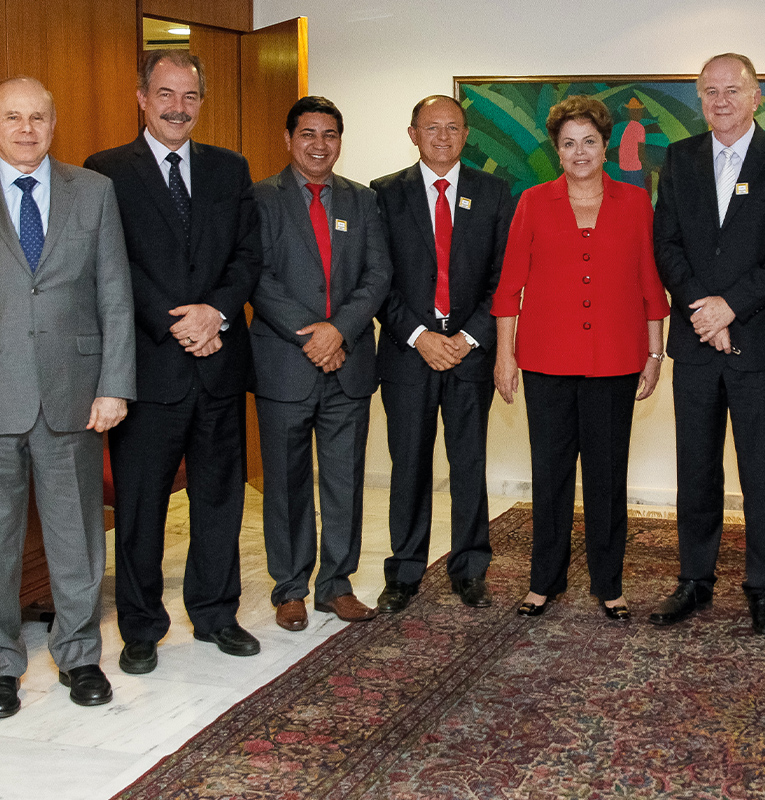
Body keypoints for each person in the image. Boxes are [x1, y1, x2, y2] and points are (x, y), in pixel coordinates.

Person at [85, 49, 264, 674]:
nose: (177, 108)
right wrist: (180, 321)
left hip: (218, 361)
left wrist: (214, 313)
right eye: (165, 94)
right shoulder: (106, 172)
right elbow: (113, 266)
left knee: (220, 498)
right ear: (142, 97)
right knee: (140, 505)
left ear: (200, 103)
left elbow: (247, 256)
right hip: (151, 365)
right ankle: (140, 627)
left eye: (189, 97)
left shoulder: (230, 168)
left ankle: (216, 613)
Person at [650, 53, 765, 636]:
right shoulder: (679, 158)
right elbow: (665, 242)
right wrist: (703, 310)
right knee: (695, 469)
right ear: (700, 99)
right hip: (697, 344)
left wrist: (730, 308)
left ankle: (764, 587)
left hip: (762, 343)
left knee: (762, 470)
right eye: (709, 92)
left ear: (756, 95)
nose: (720, 101)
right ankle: (694, 582)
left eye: (732, 90)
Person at [493, 95, 668, 620]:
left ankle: (608, 584)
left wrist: (655, 352)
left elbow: (649, 284)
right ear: (557, 150)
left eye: (588, 141)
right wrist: (505, 356)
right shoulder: (532, 202)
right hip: (545, 361)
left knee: (607, 476)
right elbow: (508, 288)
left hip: (616, 360)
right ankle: (543, 581)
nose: (579, 152)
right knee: (549, 474)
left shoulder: (635, 203)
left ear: (606, 144)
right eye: (568, 143)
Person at [0, 76, 134, 715]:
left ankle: (80, 656)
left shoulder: (94, 191)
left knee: (77, 535)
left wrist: (115, 385)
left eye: (37, 118)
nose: (26, 129)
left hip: (75, 395)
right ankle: (1, 665)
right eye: (12, 117)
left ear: (54, 124)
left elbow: (114, 291)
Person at [249, 96, 391, 631]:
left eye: (329, 134)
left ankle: (337, 585)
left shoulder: (363, 200)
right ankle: (289, 588)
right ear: (288, 139)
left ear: (340, 141)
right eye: (308, 133)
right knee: (285, 483)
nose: (319, 144)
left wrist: (340, 331)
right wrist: (312, 333)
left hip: (348, 362)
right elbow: (256, 276)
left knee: (344, 479)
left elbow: (378, 275)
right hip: (285, 362)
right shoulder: (260, 197)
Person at [371, 95, 514, 613]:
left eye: (453, 128)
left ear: (466, 134)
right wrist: (420, 337)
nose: (443, 137)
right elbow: (376, 279)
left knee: (468, 463)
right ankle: (405, 572)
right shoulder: (384, 195)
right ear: (412, 133)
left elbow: (504, 277)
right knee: (408, 464)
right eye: (432, 128)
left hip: (470, 354)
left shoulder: (494, 193)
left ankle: (470, 568)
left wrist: (469, 337)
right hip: (409, 355)